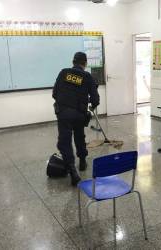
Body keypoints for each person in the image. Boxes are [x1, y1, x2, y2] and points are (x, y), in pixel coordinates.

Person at [53, 52, 100, 186]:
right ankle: (83, 161)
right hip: (79, 114)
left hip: (63, 114)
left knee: (65, 142)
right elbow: (95, 100)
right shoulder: (87, 76)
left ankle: (72, 170)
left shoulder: (63, 73)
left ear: (73, 62)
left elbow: (54, 93)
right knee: (79, 136)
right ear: (84, 63)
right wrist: (89, 107)